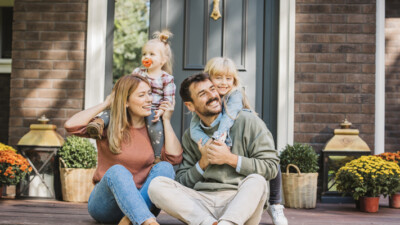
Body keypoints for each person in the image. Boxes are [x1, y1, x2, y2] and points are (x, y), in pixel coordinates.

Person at [148, 73, 280, 225]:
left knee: (257, 181)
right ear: (190, 105)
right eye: (203, 94)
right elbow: (182, 181)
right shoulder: (191, 135)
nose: (213, 96)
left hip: (239, 202)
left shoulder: (247, 121)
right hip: (201, 204)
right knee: (156, 186)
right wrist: (203, 162)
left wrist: (230, 159)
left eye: (212, 89)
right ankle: (209, 223)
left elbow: (271, 167)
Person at [64, 75, 182, 225]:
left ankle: (131, 219)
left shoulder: (155, 129)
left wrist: (166, 120)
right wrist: (106, 103)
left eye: (149, 93)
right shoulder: (107, 125)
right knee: (117, 171)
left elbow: (174, 158)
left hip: (143, 202)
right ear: (125, 101)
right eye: (141, 95)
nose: (149, 99)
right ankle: (147, 222)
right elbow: (71, 125)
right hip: (107, 206)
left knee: (165, 167)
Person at [192, 57, 287, 225]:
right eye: (218, 78)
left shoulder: (234, 96)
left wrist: (218, 139)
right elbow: (194, 126)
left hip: (239, 133)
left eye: (228, 78)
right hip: (214, 186)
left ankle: (276, 204)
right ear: (208, 79)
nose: (223, 83)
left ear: (234, 80)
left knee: (272, 160)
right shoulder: (203, 101)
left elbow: (228, 118)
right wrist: (206, 144)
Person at [86, 30, 175, 164]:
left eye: (151, 54)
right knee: (113, 111)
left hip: (152, 110)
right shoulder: (138, 72)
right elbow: (128, 86)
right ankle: (98, 124)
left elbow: (168, 99)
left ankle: (157, 156)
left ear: (163, 60)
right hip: (133, 106)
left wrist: (161, 112)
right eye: (144, 54)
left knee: (156, 127)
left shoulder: (166, 79)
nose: (146, 57)